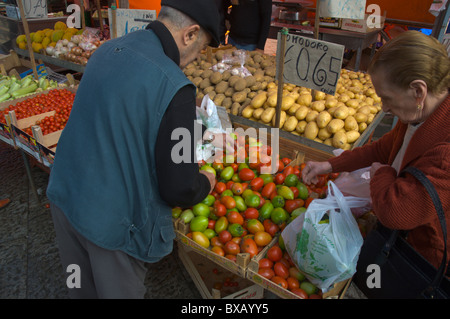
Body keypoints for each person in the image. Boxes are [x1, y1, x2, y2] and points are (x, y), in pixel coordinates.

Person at [46, 0, 224, 299]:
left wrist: (193, 131)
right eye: (202, 47)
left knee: (79, 289)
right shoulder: (175, 86)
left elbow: (120, 116)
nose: (197, 58)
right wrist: (206, 179)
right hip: (111, 225)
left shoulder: (107, 50)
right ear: (190, 34)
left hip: (66, 198)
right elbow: (179, 188)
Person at [302, 31, 450, 271]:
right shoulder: (418, 114)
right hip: (403, 241)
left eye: (387, 98)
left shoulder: (445, 152)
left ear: (418, 91)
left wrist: (381, 173)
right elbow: (384, 148)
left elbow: (397, 212)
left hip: (426, 260)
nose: (384, 108)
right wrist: (329, 166)